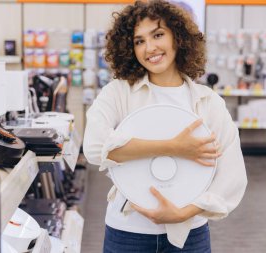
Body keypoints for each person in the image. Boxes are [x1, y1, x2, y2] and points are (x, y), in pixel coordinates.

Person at [83, 0, 247, 252]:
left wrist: (184, 213)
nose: (150, 48)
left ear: (178, 38)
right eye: (139, 41)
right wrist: (173, 147)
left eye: (158, 34)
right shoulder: (118, 93)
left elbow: (232, 175)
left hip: (190, 233)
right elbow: (94, 148)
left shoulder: (207, 101)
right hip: (128, 233)